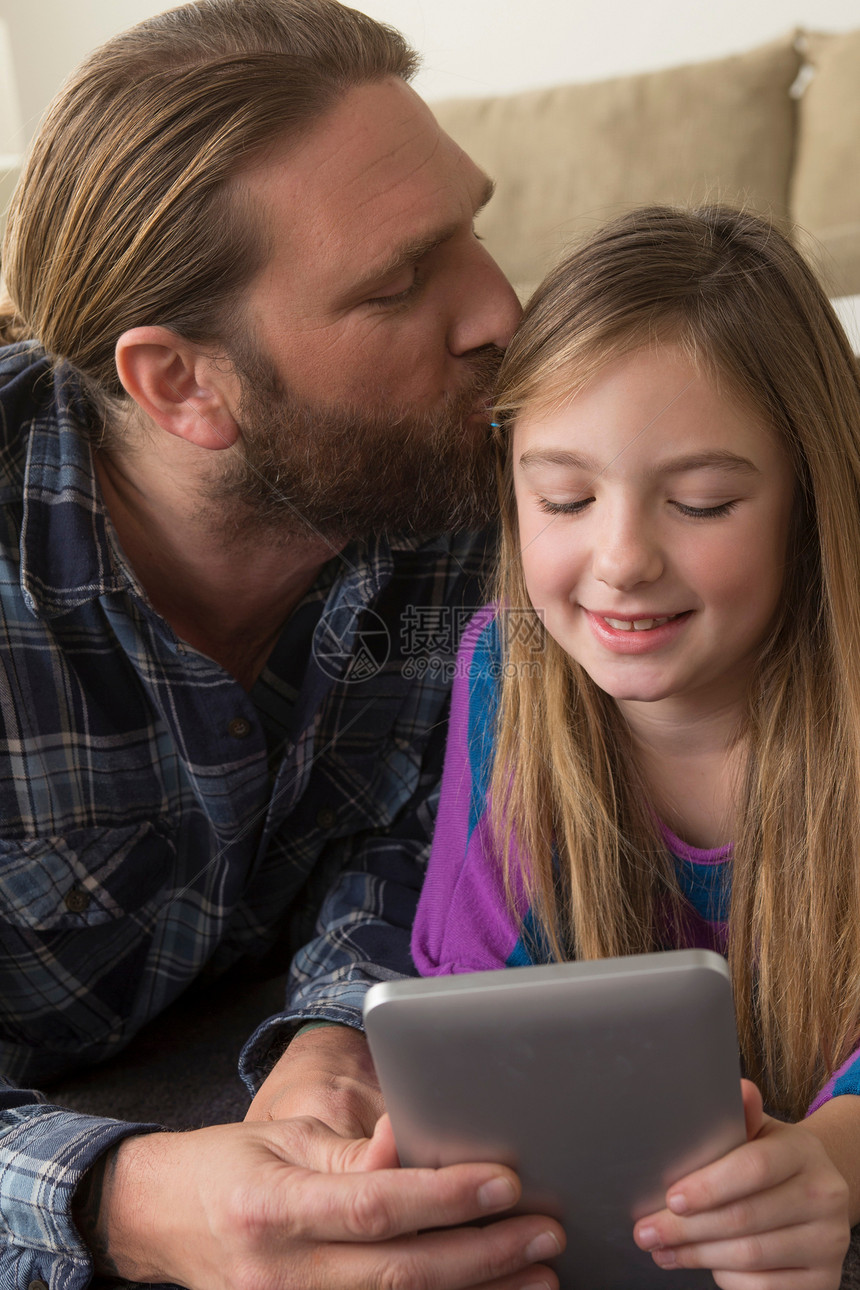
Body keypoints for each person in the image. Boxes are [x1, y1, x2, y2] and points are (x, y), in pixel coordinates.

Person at [0, 1, 568, 1287]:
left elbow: (420, 822)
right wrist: (127, 1203)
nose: (502, 311)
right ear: (183, 384)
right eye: (398, 283)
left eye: (473, 228)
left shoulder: (464, 484)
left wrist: (334, 1032)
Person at [412, 204, 860, 1288]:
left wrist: (830, 1164)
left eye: (700, 503)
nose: (618, 559)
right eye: (563, 497)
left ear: (809, 498)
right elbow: (468, 1011)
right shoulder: (500, 670)